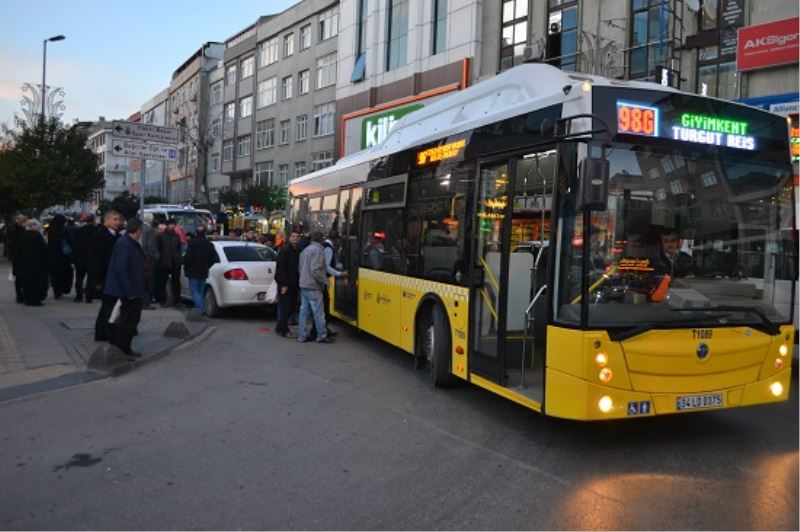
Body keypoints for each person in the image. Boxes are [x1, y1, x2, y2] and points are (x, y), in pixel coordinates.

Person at [103, 218, 146, 358]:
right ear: (138, 230)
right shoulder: (124, 244)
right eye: (141, 230)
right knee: (126, 323)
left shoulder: (131, 243)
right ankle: (121, 352)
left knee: (132, 322)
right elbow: (122, 269)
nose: (141, 232)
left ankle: (127, 348)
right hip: (127, 292)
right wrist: (129, 292)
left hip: (134, 290)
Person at [90, 210, 122, 341]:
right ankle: (108, 333)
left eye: (119, 219)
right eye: (115, 219)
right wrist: (97, 280)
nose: (118, 222)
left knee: (107, 306)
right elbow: (95, 260)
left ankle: (101, 332)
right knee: (109, 307)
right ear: (106, 220)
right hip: (105, 278)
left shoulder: (115, 236)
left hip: (112, 277)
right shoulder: (99, 236)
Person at [297, 230, 333, 343]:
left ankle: (302, 335)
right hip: (313, 285)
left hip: (304, 284)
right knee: (318, 312)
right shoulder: (318, 251)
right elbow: (316, 270)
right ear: (321, 239)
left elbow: (300, 267)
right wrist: (326, 281)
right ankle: (321, 336)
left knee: (304, 312)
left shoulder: (305, 250)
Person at [182, 225, 219, 314]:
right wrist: (207, 265)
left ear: (195, 233)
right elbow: (214, 258)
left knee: (194, 290)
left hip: (193, 270)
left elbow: (188, 257)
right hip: (203, 271)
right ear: (205, 233)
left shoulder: (192, 243)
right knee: (200, 291)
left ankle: (200, 308)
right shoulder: (209, 244)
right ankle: (199, 308)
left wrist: (185, 265)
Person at [316, 231, 347, 338]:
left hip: (319, 279)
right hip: (323, 279)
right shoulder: (329, 248)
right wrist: (339, 273)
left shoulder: (325, 246)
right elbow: (326, 266)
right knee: (325, 305)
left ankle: (322, 329)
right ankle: (323, 330)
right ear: (336, 240)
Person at [275, 230, 301, 338]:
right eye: (293, 236)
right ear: (289, 238)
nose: (295, 238)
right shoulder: (284, 250)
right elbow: (281, 268)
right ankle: (284, 330)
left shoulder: (297, 250)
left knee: (292, 307)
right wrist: (284, 284)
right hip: (286, 284)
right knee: (286, 307)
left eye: (297, 236)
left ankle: (280, 326)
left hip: (294, 283)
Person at [17, 219, 48, 306]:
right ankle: (35, 300)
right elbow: (43, 250)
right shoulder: (37, 236)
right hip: (37, 263)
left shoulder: (23, 235)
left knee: (27, 282)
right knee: (36, 282)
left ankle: (27, 299)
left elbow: (19, 249)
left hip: (25, 262)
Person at [155, 219, 182, 307]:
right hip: (164, 262)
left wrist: (178, 258)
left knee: (176, 282)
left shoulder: (177, 236)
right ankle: (162, 300)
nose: (172, 226)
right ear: (167, 225)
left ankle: (176, 300)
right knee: (162, 282)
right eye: (170, 224)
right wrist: (159, 258)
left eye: (174, 224)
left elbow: (179, 249)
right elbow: (157, 248)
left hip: (175, 262)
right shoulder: (160, 236)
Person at [46, 214, 74, 299]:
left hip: (53, 256)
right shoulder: (64, 230)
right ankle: (62, 289)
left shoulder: (51, 229)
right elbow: (70, 241)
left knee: (55, 274)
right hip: (64, 256)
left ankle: (56, 291)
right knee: (64, 274)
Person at [72, 214, 96, 302]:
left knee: (79, 278)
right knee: (90, 279)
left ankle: (79, 295)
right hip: (91, 258)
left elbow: (75, 244)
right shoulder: (96, 230)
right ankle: (89, 296)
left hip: (80, 258)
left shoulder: (79, 230)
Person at [140, 213, 160, 309]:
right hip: (148, 259)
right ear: (151, 220)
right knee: (149, 282)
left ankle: (141, 301)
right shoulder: (150, 230)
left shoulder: (140, 228)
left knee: (142, 281)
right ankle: (146, 303)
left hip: (139, 258)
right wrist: (155, 257)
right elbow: (150, 246)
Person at [9, 215, 27, 303]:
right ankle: (21, 296)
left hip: (17, 258)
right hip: (22, 258)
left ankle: (19, 296)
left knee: (18, 279)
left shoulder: (15, 231)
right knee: (22, 278)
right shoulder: (22, 232)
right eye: (24, 222)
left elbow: (12, 245)